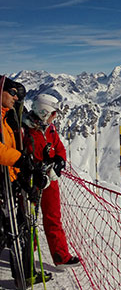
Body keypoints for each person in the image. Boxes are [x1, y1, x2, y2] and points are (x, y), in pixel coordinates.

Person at [0, 77, 51, 286]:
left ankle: (23, 274)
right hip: (3, 183)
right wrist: (21, 160)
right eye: (13, 93)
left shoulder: (6, 117)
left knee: (14, 231)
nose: (16, 98)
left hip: (8, 180)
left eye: (18, 96)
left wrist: (21, 172)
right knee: (7, 232)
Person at [25, 93, 79, 267]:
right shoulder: (26, 131)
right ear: (43, 112)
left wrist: (59, 161)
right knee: (28, 218)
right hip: (31, 181)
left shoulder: (50, 129)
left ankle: (60, 256)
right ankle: (27, 251)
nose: (55, 117)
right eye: (53, 113)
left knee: (53, 217)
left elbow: (59, 147)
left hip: (50, 180)